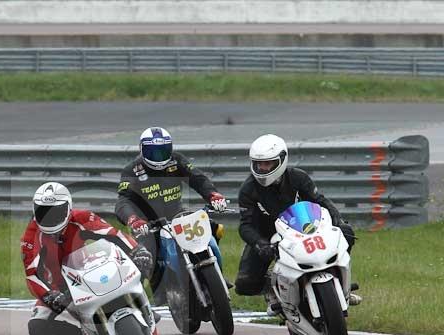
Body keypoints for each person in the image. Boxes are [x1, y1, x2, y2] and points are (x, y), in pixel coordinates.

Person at [21, 182, 154, 335]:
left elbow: (114, 235)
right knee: (36, 328)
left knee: (140, 263)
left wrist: (138, 250)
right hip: (58, 289)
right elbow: (32, 275)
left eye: (56, 211)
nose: (50, 218)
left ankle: (141, 308)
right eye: (43, 212)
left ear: (68, 207)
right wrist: (49, 295)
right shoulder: (30, 237)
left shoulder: (82, 217)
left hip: (88, 272)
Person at [235, 133, 361, 310]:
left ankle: (340, 286)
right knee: (245, 284)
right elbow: (245, 225)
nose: (263, 168)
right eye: (259, 164)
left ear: (281, 160)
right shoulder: (248, 189)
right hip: (269, 236)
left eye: (267, 163)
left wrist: (337, 221)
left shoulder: (298, 178)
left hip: (305, 227)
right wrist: (260, 243)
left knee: (346, 232)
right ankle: (273, 289)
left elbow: (321, 202)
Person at [115, 126, 230, 300]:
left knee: (213, 228)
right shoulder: (132, 170)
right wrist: (134, 219)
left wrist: (213, 195)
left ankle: (215, 274)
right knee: (144, 256)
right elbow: (123, 201)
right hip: (148, 224)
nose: (158, 157)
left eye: (162, 151)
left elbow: (198, 178)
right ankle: (137, 299)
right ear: (141, 150)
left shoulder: (176, 161)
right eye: (153, 152)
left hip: (177, 215)